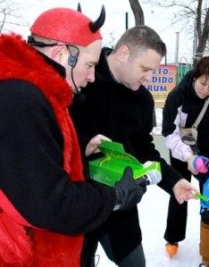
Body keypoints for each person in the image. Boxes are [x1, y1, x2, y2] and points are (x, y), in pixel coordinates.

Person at [0, 7, 150, 266]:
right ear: (62, 55)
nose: (92, 77)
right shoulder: (22, 99)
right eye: (90, 65)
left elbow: (31, 175)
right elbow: (52, 205)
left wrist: (79, 157)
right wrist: (116, 196)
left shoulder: (39, 94)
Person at [69, 26, 198, 267]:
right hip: (79, 200)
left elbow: (145, 151)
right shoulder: (83, 78)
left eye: (153, 71)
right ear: (124, 53)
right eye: (145, 69)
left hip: (121, 205)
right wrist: (85, 144)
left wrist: (174, 181)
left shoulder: (143, 100)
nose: (149, 78)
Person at [162, 56, 209, 257]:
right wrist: (188, 157)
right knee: (179, 192)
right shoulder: (177, 96)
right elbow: (169, 132)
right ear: (195, 77)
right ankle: (173, 236)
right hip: (181, 152)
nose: (205, 89)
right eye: (203, 83)